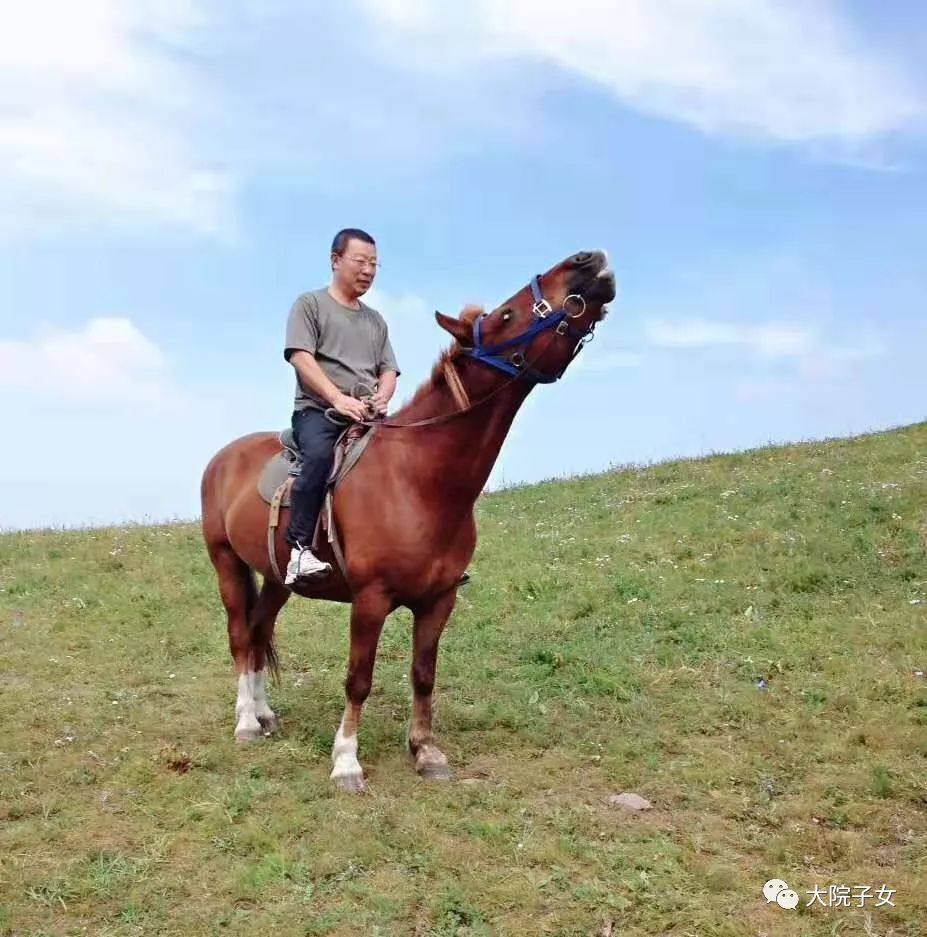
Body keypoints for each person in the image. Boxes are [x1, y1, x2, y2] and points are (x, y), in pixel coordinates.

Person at [282, 228, 399, 585]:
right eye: (360, 261)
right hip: (319, 412)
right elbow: (300, 357)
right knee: (319, 457)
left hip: (368, 415)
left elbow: (388, 370)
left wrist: (383, 397)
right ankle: (299, 551)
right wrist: (337, 398)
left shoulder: (376, 320)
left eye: (374, 264)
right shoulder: (310, 305)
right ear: (335, 260)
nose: (368, 270)